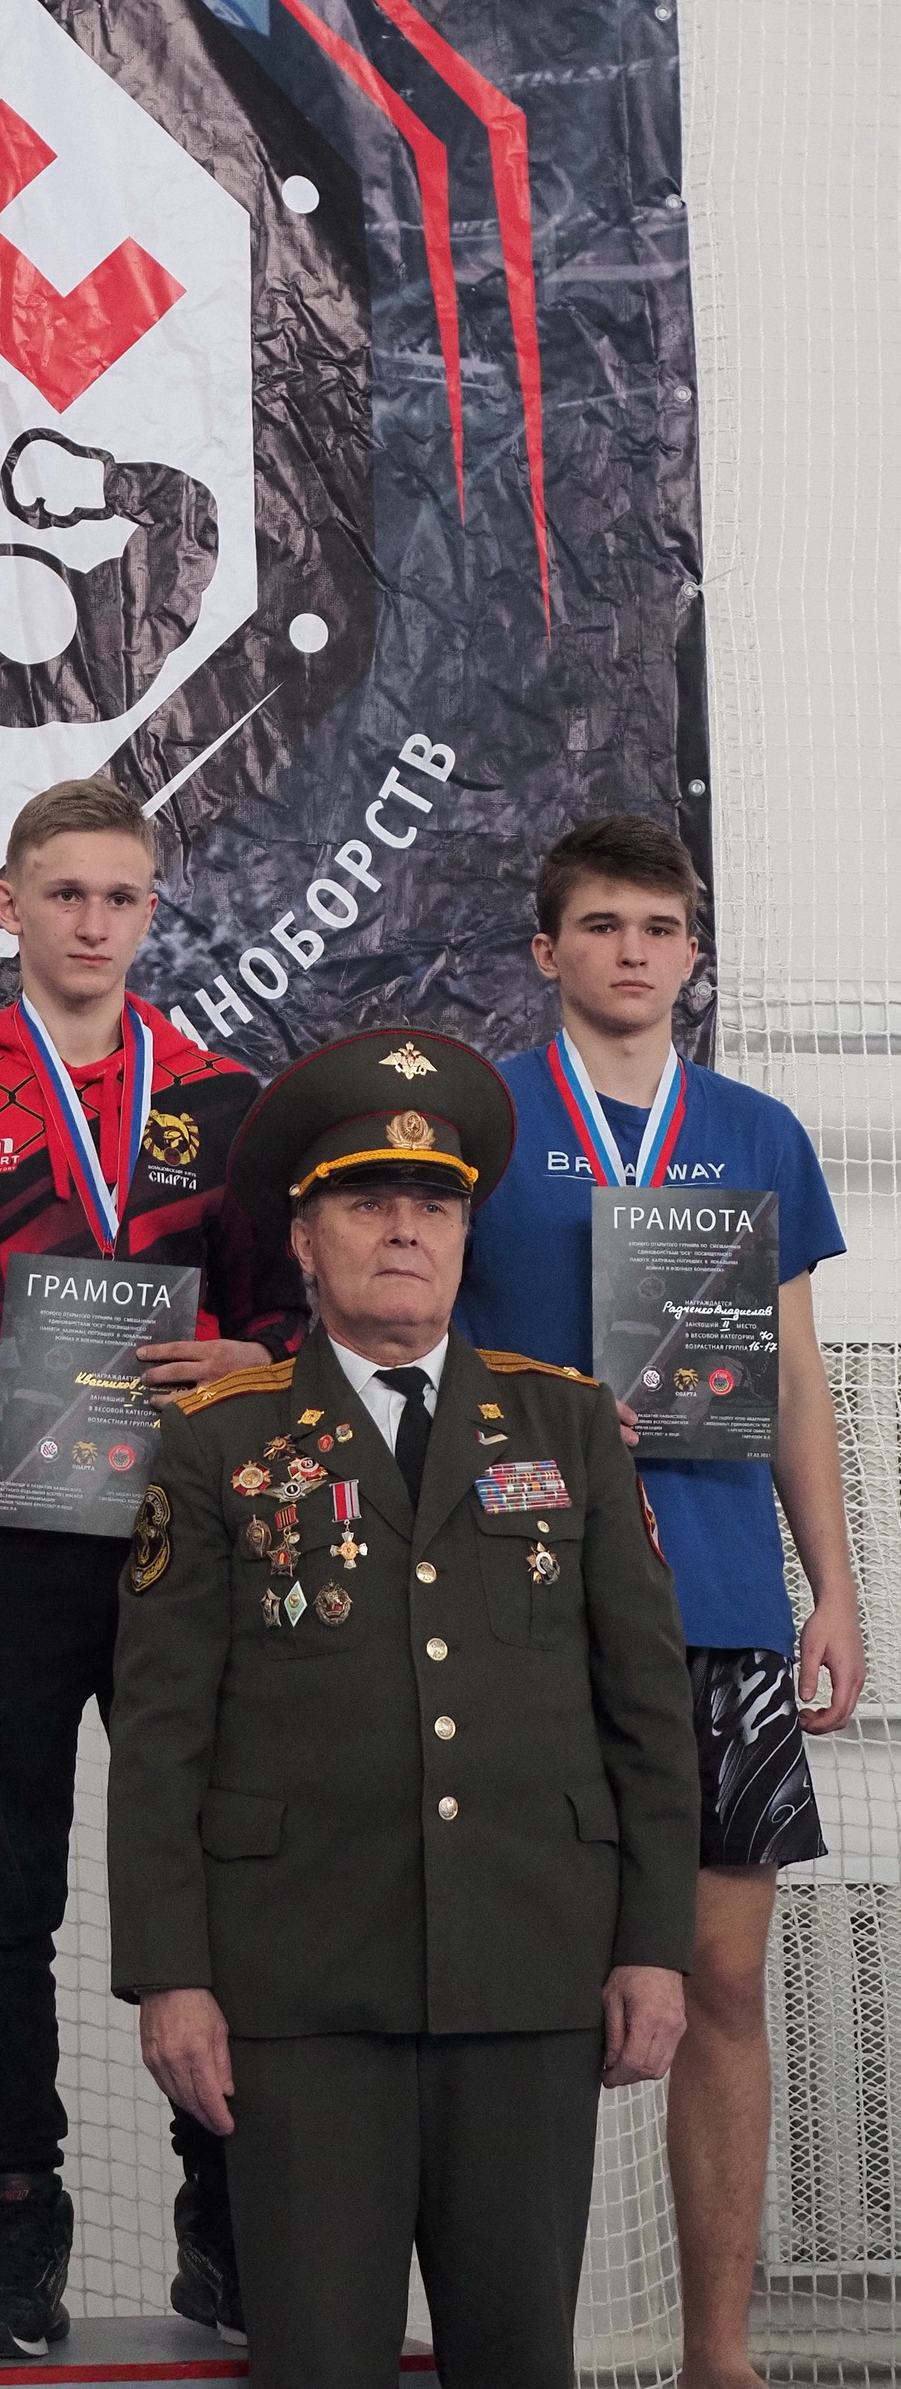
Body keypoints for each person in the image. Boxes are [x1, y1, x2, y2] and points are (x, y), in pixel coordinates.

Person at [108, 1027, 701, 2389]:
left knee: (518, 2359)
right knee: (318, 2360)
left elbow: (647, 1711)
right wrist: (171, 1975)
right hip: (301, 1985)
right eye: (367, 1202)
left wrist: (652, 1945)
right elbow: (159, 1734)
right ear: (302, 1240)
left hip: (528, 1968)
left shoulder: (566, 1428)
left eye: (433, 1204)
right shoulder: (220, 1438)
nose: (403, 1229)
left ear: (464, 1234)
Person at [0, 777, 305, 2360]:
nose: (92, 921)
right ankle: (16, 2217)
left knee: (223, 1880)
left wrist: (254, 1357)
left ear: (150, 910)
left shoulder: (227, 1100)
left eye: (119, 895)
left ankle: (222, 2207)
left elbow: (289, 1326)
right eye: (64, 893)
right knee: (3, 1908)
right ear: (8, 904)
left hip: (192, 1538)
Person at [454, 814, 864, 2389]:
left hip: (724, 1602)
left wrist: (834, 1587)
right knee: (532, 1988)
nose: (634, 950)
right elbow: (419, 1351)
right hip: (528, 1596)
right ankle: (521, 2352)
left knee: (723, 1977)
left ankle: (718, 2354)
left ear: (694, 953)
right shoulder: (486, 1118)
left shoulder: (758, 1130)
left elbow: (799, 1382)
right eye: (603, 923)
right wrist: (548, 1415)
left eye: (661, 925)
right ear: (546, 947)